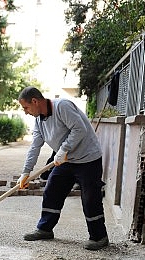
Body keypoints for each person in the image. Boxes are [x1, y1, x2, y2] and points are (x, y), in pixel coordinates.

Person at [16, 86, 109, 250]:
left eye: (26, 107)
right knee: (52, 191)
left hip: (87, 159)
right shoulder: (39, 120)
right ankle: (45, 229)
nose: (25, 112)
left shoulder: (62, 106)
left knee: (90, 198)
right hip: (65, 160)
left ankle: (99, 237)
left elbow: (80, 129)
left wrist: (64, 149)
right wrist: (26, 172)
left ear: (35, 101)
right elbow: (35, 146)